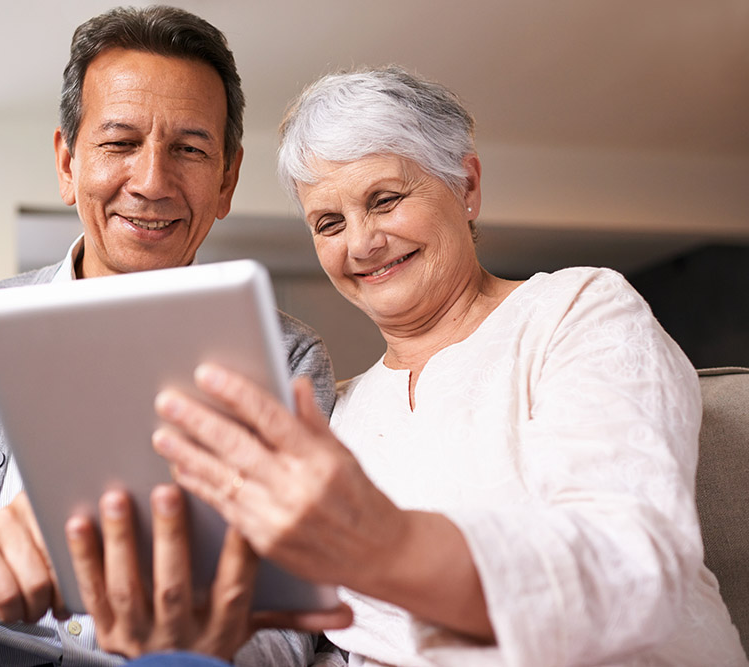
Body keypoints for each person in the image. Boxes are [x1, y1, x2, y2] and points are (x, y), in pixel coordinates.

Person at [0, 6, 350, 667]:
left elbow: (283, 633)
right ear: (67, 161)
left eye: (190, 149)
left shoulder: (286, 359)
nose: (151, 181)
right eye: (119, 142)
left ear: (226, 178)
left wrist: (188, 637)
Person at [147, 66, 749, 665]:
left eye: (384, 201)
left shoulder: (576, 311)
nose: (360, 244)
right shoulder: (341, 412)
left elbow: (629, 568)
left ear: (466, 186)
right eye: (328, 223)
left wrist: (386, 545)